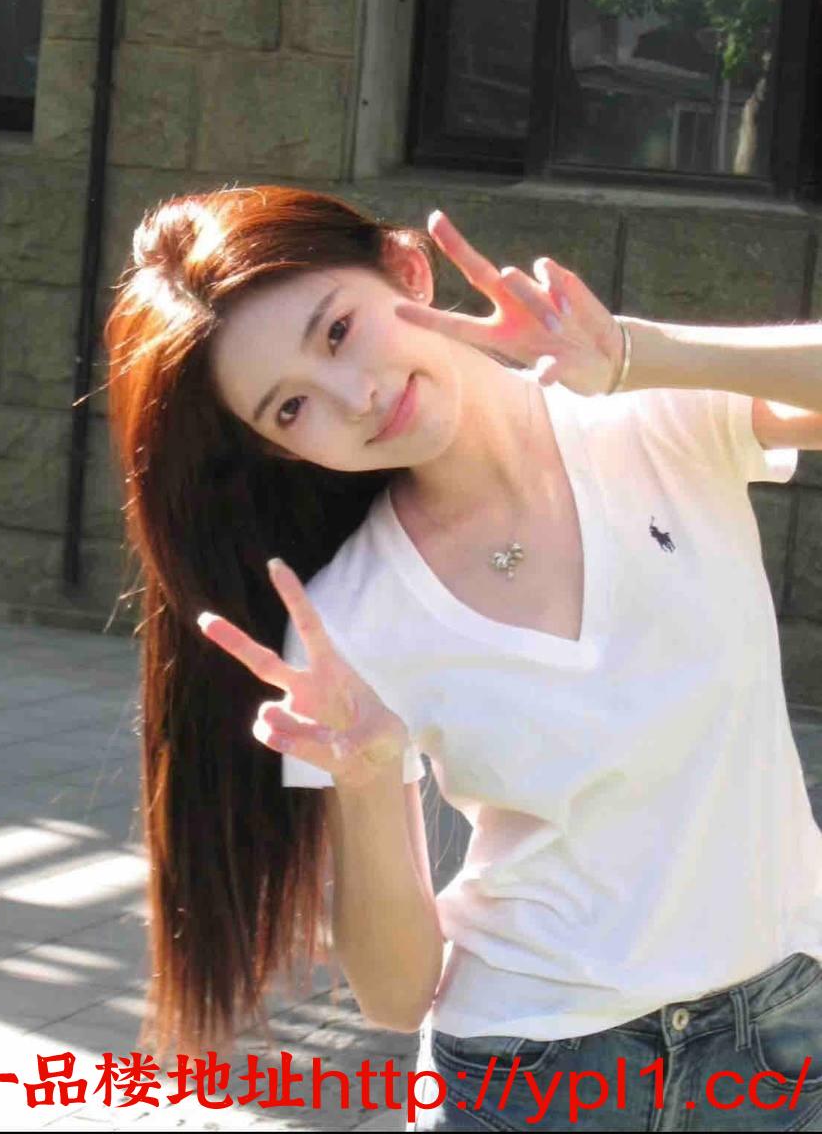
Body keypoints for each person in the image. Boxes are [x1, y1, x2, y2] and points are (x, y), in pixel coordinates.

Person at [102, 183, 822, 1131]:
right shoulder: (342, 620)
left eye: (338, 331)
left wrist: (633, 355)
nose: (354, 397)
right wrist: (365, 779)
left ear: (407, 270)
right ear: (282, 452)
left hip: (782, 1038)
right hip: (533, 1074)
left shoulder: (647, 415)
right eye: (293, 408)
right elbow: (397, 996)